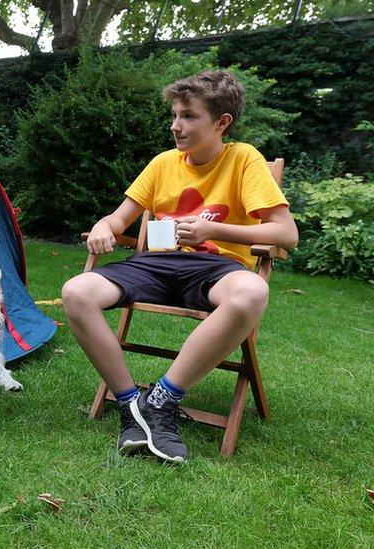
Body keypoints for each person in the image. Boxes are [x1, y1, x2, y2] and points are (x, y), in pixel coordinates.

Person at [61, 70, 298, 464]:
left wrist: (212, 228)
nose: (176, 126)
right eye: (174, 115)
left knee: (253, 292)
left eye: (188, 116)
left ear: (222, 122)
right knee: (75, 291)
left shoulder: (243, 159)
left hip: (215, 268)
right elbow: (117, 220)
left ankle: (162, 399)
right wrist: (104, 228)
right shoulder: (162, 163)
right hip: (154, 264)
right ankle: (129, 403)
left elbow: (286, 234)